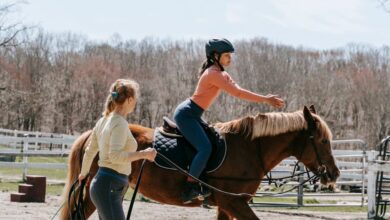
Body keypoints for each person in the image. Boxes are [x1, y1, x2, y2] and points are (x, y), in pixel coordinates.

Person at [173, 38, 285, 204]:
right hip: (186, 114)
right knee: (205, 148)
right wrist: (266, 99)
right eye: (226, 55)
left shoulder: (221, 73)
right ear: (215, 56)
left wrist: (265, 99)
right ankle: (190, 186)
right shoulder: (213, 74)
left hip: (193, 114)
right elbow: (238, 94)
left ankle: (203, 181)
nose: (230, 58)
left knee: (211, 143)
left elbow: (239, 90)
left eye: (230, 55)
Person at [78, 79, 157, 220]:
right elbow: (115, 156)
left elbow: (90, 151)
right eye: (135, 99)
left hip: (104, 186)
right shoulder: (119, 124)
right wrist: (143, 154)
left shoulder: (103, 121)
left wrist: (83, 173)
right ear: (129, 99)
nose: (135, 102)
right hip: (109, 186)